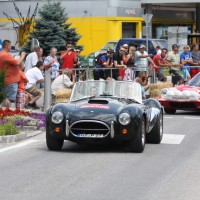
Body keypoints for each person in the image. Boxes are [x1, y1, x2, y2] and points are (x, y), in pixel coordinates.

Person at [0, 40, 26, 108]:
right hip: (10, 81)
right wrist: (22, 56)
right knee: (8, 99)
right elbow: (17, 63)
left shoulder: (2, 54)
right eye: (10, 46)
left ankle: (4, 113)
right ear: (7, 46)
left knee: (6, 98)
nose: (10, 48)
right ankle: (5, 113)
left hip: (6, 80)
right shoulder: (5, 55)